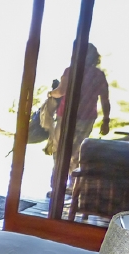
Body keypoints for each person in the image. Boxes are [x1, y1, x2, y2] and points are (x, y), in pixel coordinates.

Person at [46, 43, 111, 191]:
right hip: (87, 118)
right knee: (77, 153)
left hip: (67, 116)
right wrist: (106, 120)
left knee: (60, 150)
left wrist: (50, 94)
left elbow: (61, 92)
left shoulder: (71, 71)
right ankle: (73, 187)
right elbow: (105, 100)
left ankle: (57, 187)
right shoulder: (99, 75)